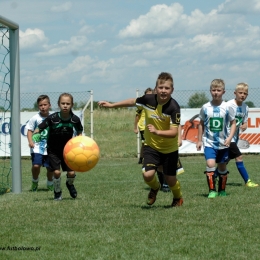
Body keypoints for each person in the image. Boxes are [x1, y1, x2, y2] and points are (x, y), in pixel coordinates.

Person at [99, 72, 183, 207]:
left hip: (169, 149)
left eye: (167, 88)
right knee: (147, 175)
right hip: (151, 145)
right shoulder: (148, 99)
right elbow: (132, 101)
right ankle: (155, 187)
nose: (163, 90)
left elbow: (173, 132)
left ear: (172, 90)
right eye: (161, 87)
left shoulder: (174, 107)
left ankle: (178, 198)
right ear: (156, 89)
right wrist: (111, 105)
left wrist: (157, 131)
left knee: (171, 179)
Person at [33, 93, 83, 201]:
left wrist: (79, 141)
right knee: (56, 172)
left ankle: (70, 185)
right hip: (53, 150)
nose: (65, 105)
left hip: (68, 151)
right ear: (58, 104)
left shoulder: (75, 119)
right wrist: (36, 133)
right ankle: (57, 191)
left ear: (72, 105)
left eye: (68, 103)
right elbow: (39, 128)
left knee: (71, 173)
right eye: (63, 103)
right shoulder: (52, 118)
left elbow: (79, 131)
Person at [196, 79, 237, 198]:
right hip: (209, 143)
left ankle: (222, 190)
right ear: (210, 91)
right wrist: (199, 140)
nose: (216, 92)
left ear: (223, 92)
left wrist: (230, 138)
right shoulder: (205, 107)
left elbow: (233, 123)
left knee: (222, 166)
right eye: (213, 90)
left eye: (218, 90)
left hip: (223, 143)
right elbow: (201, 124)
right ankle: (212, 190)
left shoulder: (228, 107)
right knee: (210, 164)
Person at [224, 83, 258, 187]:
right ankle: (247, 181)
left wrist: (244, 125)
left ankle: (215, 175)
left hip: (235, 137)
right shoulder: (228, 105)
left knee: (226, 159)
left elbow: (244, 122)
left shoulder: (246, 107)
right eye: (240, 93)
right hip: (227, 136)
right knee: (239, 157)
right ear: (235, 93)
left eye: (245, 93)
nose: (242, 95)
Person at [26, 95, 53, 192]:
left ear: (49, 105)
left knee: (50, 168)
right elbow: (29, 130)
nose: (43, 107)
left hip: (50, 147)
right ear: (38, 106)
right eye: (40, 105)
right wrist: (30, 141)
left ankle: (50, 183)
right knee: (36, 165)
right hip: (37, 147)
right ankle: (34, 181)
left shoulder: (53, 118)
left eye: (45, 104)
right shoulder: (35, 118)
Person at [134, 88, 153, 164]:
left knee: (148, 143)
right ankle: (144, 159)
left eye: (151, 95)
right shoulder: (142, 105)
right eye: (147, 95)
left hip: (151, 126)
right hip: (143, 126)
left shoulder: (154, 104)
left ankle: (142, 158)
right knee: (145, 143)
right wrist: (135, 127)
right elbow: (137, 116)